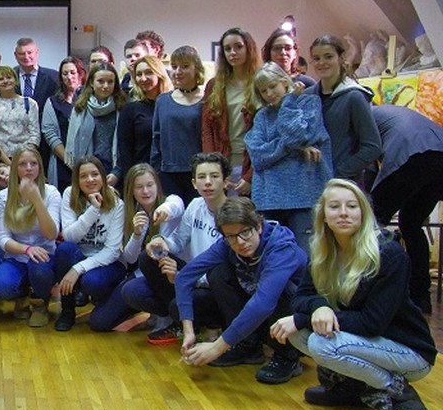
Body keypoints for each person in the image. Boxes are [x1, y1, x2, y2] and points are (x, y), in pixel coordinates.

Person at [271, 180, 436, 410]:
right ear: (324, 216)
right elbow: (302, 296)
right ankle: (352, 388)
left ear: (363, 212)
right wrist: (318, 307)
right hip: (368, 343)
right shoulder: (323, 251)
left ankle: (404, 399)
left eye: (352, 206)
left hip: (408, 351)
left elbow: (372, 323)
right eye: (334, 207)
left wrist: (305, 317)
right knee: (296, 333)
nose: (344, 213)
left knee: (321, 343)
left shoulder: (389, 254)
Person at [178, 198, 307, 384]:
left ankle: (288, 356)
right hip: (263, 317)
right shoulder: (227, 244)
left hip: (300, 321)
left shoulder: (281, 248)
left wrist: (216, 347)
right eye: (231, 236)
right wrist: (188, 331)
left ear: (259, 226)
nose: (240, 242)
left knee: (279, 289)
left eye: (245, 232)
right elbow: (184, 277)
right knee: (217, 272)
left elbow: (263, 304)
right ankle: (247, 345)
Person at [124, 153, 229, 344]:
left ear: (226, 181)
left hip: (215, 286)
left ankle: (209, 324)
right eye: (202, 177)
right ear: (194, 183)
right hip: (193, 276)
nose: (208, 182)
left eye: (214, 176)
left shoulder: (232, 213)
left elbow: (227, 274)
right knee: (148, 258)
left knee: (177, 305)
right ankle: (183, 323)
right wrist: (161, 242)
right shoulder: (196, 205)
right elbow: (178, 241)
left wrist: (183, 276)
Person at [245, 63, 333, 246]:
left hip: (306, 197)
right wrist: (297, 149)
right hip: (268, 200)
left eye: (272, 86)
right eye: (263, 91)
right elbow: (258, 156)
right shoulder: (262, 116)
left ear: (285, 82)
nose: (269, 94)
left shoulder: (310, 103)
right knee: (272, 254)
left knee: (307, 254)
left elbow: (297, 135)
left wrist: (290, 102)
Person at [368, 104, 443, 314]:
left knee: (370, 222)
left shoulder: (364, 114)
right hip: (438, 158)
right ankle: (421, 297)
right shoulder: (389, 112)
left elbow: (368, 157)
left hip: (411, 153)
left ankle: (386, 292)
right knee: (411, 225)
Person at [95, 163, 184, 333]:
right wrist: (137, 234)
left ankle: (167, 314)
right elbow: (130, 259)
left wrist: (165, 209)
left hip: (170, 273)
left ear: (157, 186)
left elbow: (176, 205)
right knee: (99, 321)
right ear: (132, 191)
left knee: (134, 288)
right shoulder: (131, 211)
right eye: (139, 187)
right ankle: (145, 307)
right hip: (143, 274)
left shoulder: (170, 202)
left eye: (150, 185)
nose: (145, 191)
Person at [0, 146, 62, 327]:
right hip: (17, 256)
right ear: (15, 168)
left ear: (40, 167)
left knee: (39, 269)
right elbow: (3, 239)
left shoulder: (51, 193)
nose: (29, 168)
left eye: (33, 163)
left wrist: (36, 199)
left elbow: (51, 234)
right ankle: (21, 297)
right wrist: (27, 249)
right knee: (2, 285)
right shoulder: (3, 196)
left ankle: (40, 304)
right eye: (23, 164)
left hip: (44, 256)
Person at [53, 157, 126, 332]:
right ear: (77, 180)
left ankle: (103, 300)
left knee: (92, 282)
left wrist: (78, 269)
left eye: (95, 174)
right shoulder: (70, 194)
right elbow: (69, 237)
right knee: (64, 250)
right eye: (83, 176)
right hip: (79, 254)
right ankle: (67, 310)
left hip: (107, 262)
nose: (90, 180)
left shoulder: (117, 203)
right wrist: (93, 210)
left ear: (103, 176)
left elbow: (112, 251)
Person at [303, 34, 381, 185]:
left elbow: (372, 146)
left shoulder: (354, 96)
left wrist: (340, 173)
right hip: (309, 183)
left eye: (328, 57)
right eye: (317, 58)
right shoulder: (306, 96)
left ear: (341, 57)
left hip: (341, 184)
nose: (322, 63)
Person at [202, 27, 259, 196]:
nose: (233, 52)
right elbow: (207, 130)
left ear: (248, 48)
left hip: (254, 164)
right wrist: (215, 169)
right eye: (227, 49)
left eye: (238, 47)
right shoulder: (215, 85)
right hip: (224, 164)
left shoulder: (260, 83)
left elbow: (269, 133)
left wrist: (250, 176)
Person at [151, 45, 205, 203]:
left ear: (196, 69)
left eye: (185, 66)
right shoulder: (162, 100)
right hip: (169, 173)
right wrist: (154, 172)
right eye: (174, 67)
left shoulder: (208, 99)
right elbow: (156, 138)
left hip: (200, 173)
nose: (178, 72)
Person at [115, 55, 171, 190]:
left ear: (159, 74)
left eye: (148, 72)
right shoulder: (130, 109)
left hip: (170, 176)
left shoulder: (171, 105)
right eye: (139, 74)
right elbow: (125, 152)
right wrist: (131, 183)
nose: (143, 78)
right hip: (142, 179)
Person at [66, 62, 125, 182]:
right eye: (100, 81)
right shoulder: (80, 107)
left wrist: (117, 172)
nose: (105, 86)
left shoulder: (122, 107)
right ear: (92, 83)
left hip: (113, 169)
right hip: (86, 168)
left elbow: (126, 145)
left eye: (110, 82)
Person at [41, 56, 86, 192]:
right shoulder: (53, 102)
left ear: (80, 74)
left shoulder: (90, 99)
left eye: (73, 72)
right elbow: (50, 133)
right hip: (62, 164)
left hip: (87, 162)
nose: (69, 77)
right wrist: (69, 161)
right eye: (65, 73)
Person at [13, 37, 59, 160]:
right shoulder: (9, 77)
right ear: (15, 55)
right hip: (15, 140)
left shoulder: (53, 77)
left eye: (30, 52)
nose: (26, 56)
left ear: (37, 52)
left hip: (45, 140)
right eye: (22, 53)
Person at [0, 65, 41, 158]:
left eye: (9, 77)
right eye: (1, 79)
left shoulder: (30, 103)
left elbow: (35, 135)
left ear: (15, 80)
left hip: (26, 157)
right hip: (1, 158)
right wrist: (7, 162)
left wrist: (24, 158)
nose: (5, 81)